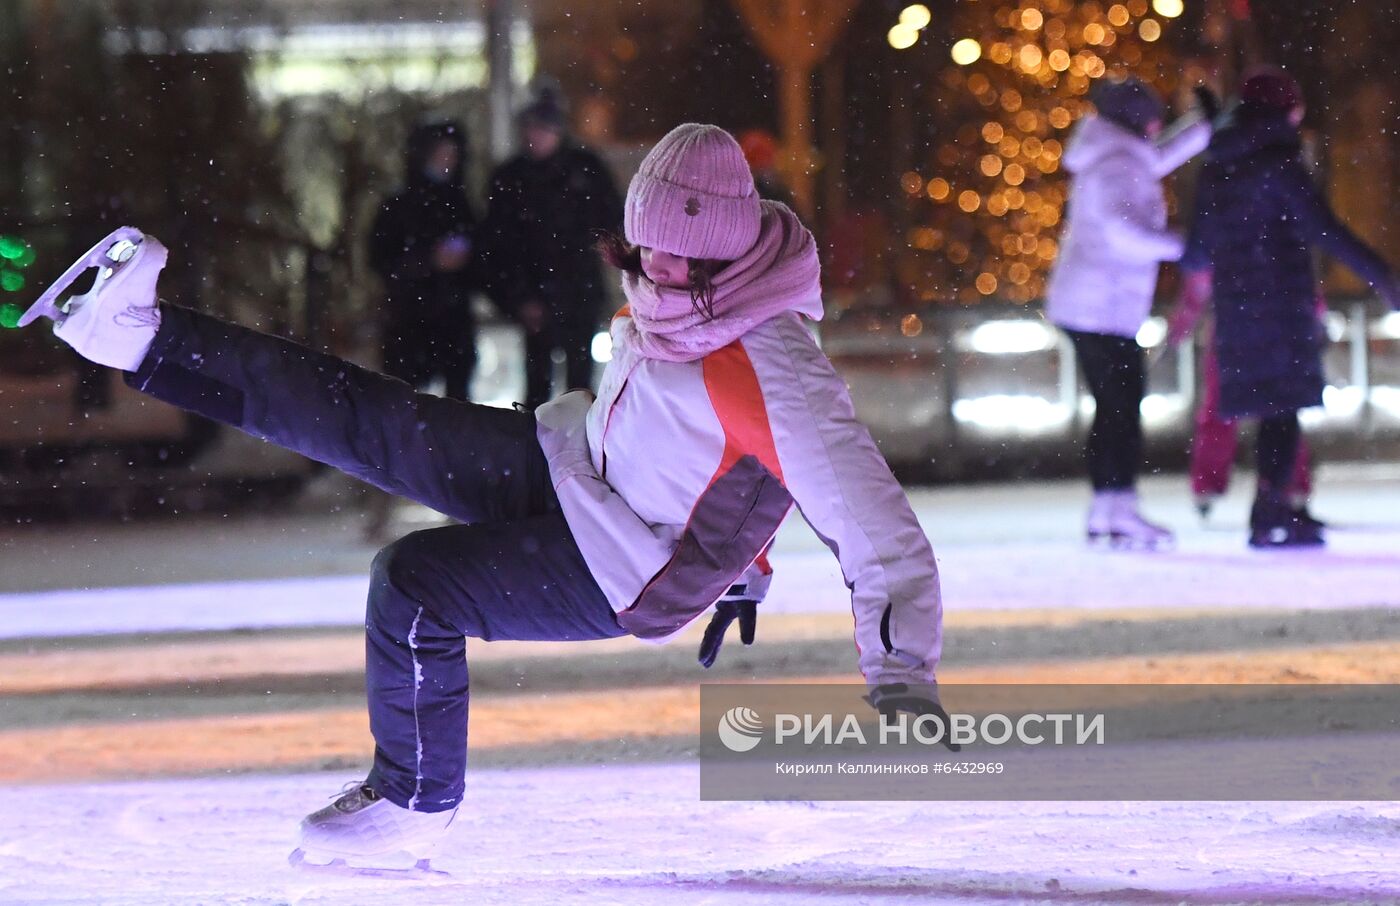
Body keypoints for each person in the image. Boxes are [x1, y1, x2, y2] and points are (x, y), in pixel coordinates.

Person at [33, 124, 950, 871]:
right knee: (385, 422)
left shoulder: (777, 365)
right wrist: (747, 562)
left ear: (724, 250)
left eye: (677, 262)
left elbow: (871, 521)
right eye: (644, 252)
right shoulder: (689, 278)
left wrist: (900, 672)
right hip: (579, 470)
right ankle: (142, 339)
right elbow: (720, 462)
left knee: (414, 582)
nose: (654, 275)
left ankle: (413, 801)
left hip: (633, 565)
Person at [1182, 65, 1400, 548]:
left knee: (1269, 409)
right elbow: (1323, 228)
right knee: (1282, 408)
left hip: (1237, 306)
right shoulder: (1278, 161)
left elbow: (1195, 251)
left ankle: (1273, 508)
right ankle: (1273, 512)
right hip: (1280, 301)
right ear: (1285, 109)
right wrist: (1382, 276)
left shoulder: (1217, 165)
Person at [1045, 76, 1211, 549]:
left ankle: (1108, 509)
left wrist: (1203, 126)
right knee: (1121, 406)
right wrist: (1183, 248)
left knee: (1115, 405)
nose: (1156, 125)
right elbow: (1124, 231)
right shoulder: (1115, 163)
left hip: (1095, 303)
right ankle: (1117, 508)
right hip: (1099, 306)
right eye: (1152, 117)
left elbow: (1159, 156)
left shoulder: (1116, 154)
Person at [477, 83, 624, 410]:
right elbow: (498, 245)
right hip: (536, 297)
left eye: (542, 127)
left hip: (579, 294)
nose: (535, 135)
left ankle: (578, 452)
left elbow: (612, 222)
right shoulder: (511, 178)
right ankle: (537, 455)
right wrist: (518, 297)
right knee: (538, 388)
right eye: (530, 127)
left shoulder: (585, 170)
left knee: (580, 389)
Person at [1165, 268, 1319, 522]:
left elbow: (1199, 276)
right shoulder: (1278, 232)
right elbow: (1298, 270)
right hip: (1270, 326)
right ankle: (1288, 485)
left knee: (1228, 410)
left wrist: (1185, 319)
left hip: (1233, 328)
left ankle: (1212, 484)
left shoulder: (1222, 233)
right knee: (1279, 411)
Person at [368, 120, 479, 400]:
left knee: (456, 406)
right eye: (441, 154)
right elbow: (381, 258)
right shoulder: (399, 206)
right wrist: (427, 261)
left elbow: (482, 257)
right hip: (410, 320)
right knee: (406, 402)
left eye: (452, 155)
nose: (447, 162)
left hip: (453, 321)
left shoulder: (459, 203)